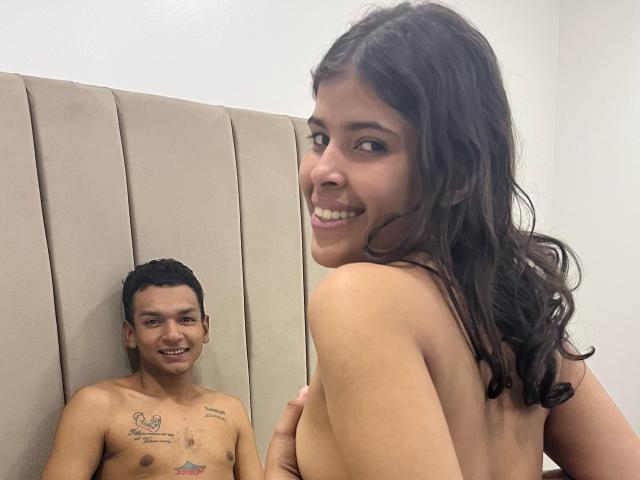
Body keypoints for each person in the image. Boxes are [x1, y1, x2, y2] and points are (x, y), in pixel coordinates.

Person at [265, 2, 640, 479]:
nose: (322, 171)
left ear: (458, 174)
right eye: (320, 138)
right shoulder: (518, 313)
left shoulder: (358, 297)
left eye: (370, 145)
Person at [42, 258, 263, 480]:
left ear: (204, 329)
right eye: (153, 322)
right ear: (130, 334)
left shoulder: (230, 410)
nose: (173, 335)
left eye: (186, 319)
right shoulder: (96, 405)